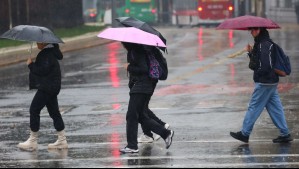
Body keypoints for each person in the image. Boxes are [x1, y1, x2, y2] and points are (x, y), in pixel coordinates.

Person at [230, 27, 293, 144]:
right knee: (275, 108)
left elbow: (264, 65)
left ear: (259, 30)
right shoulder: (262, 43)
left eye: (253, 30)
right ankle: (285, 133)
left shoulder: (263, 45)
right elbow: (257, 64)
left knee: (254, 107)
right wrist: (250, 52)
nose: (251, 32)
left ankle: (245, 133)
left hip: (265, 82)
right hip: (271, 81)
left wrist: (259, 73)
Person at [120, 42, 174, 153]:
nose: (122, 44)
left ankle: (132, 146)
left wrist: (129, 67)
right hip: (146, 85)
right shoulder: (143, 48)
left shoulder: (136, 50)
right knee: (141, 116)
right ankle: (165, 133)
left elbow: (143, 69)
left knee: (131, 116)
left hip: (141, 87)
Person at [18, 43, 68, 151]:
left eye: (38, 41)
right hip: (52, 86)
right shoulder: (50, 52)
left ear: (44, 42)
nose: (37, 43)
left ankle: (32, 141)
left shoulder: (46, 54)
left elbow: (42, 71)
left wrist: (30, 64)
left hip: (47, 87)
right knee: (54, 112)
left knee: (34, 110)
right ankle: (62, 140)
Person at [138, 46, 170, 143]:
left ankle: (156, 130)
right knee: (142, 108)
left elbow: (143, 68)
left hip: (146, 81)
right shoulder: (149, 47)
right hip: (150, 80)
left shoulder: (141, 48)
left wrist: (129, 67)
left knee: (140, 110)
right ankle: (150, 132)